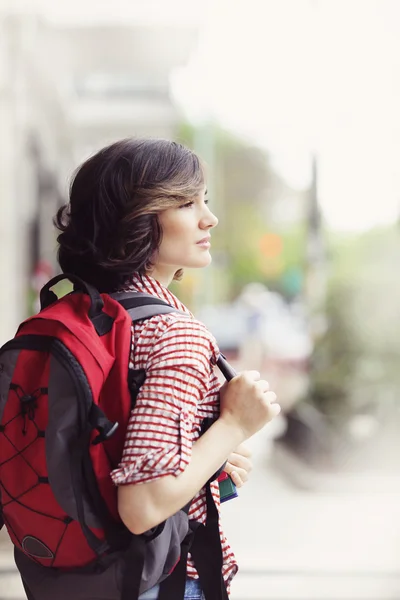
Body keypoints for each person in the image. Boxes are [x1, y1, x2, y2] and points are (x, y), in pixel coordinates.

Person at [15, 138, 281, 599]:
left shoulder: (85, 317)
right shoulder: (173, 333)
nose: (208, 218)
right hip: (157, 580)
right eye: (184, 202)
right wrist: (234, 426)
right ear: (137, 218)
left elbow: (105, 444)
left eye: (205, 201)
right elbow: (142, 504)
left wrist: (207, 453)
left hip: (66, 576)